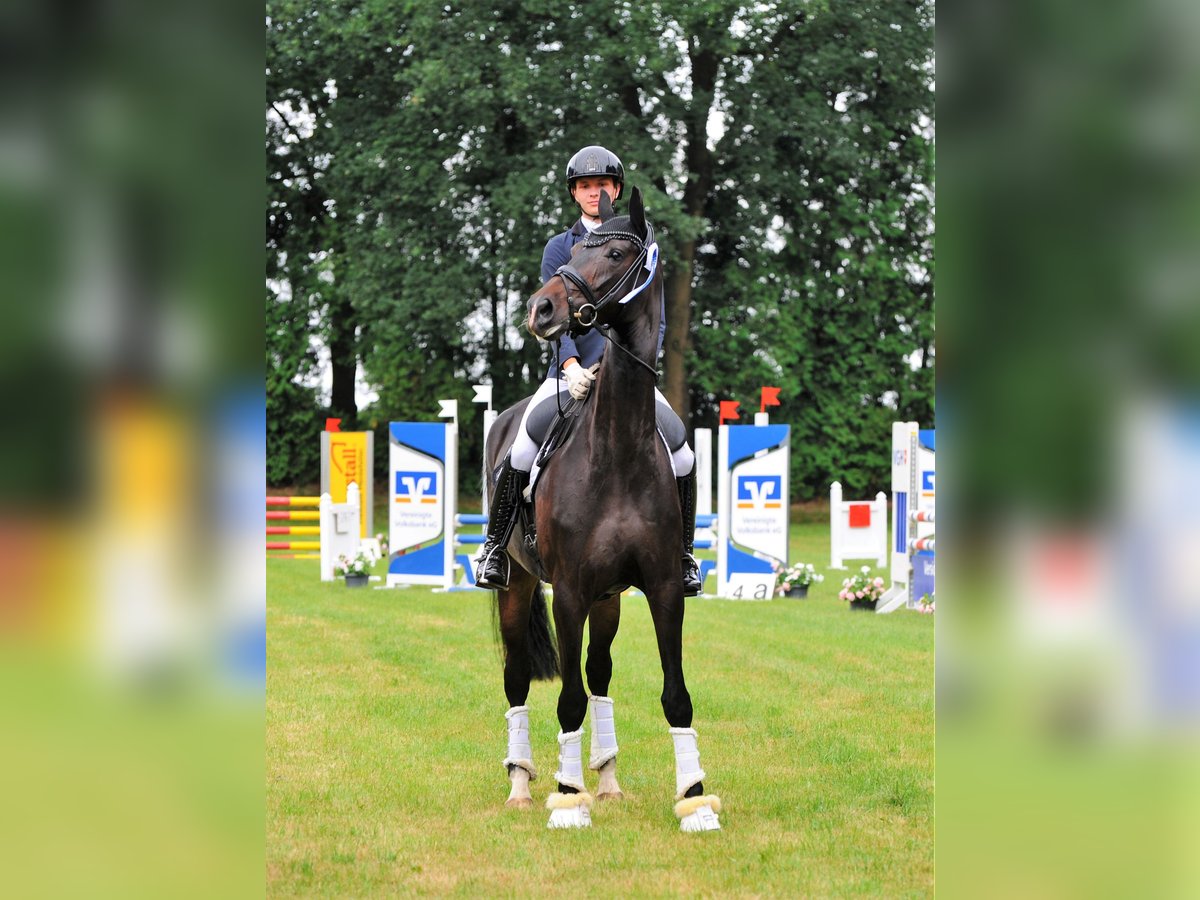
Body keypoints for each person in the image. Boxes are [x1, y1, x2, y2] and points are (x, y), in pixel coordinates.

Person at [476, 145, 702, 595]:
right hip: (570, 376)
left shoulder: (640, 242)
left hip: (628, 379)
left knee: (682, 453)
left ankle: (684, 555)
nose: (592, 192)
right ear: (574, 194)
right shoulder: (560, 246)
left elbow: (652, 318)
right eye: (583, 186)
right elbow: (552, 318)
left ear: (616, 189)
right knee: (521, 447)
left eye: (601, 184)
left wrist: (637, 368)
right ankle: (495, 548)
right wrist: (571, 364)